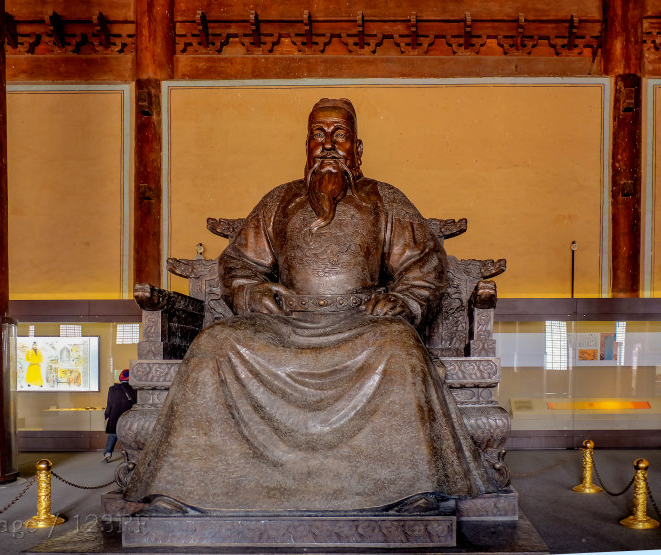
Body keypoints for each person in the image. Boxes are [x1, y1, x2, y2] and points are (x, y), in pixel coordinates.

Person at [124, 98, 497, 512]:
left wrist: (405, 301)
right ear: (306, 145)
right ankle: (183, 489)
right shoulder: (279, 201)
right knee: (215, 344)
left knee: (399, 347)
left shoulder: (384, 200)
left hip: (361, 322)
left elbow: (423, 264)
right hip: (286, 320)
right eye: (318, 135)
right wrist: (252, 292)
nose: (329, 144)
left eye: (340, 134)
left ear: (358, 148)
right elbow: (238, 263)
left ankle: (409, 490)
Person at [103, 369, 136, 463]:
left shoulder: (112, 389)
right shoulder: (134, 389)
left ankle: (108, 453)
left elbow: (109, 404)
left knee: (112, 436)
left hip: (115, 416)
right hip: (129, 417)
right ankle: (131, 455)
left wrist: (107, 415)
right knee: (129, 436)